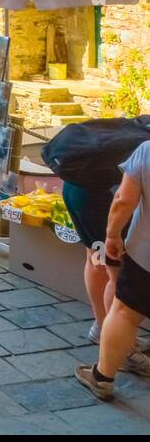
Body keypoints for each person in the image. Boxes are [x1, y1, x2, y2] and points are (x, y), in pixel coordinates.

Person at [77, 140, 150, 399]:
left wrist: (112, 236)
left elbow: (123, 200)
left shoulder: (147, 151)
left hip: (145, 257)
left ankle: (103, 377)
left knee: (124, 314)